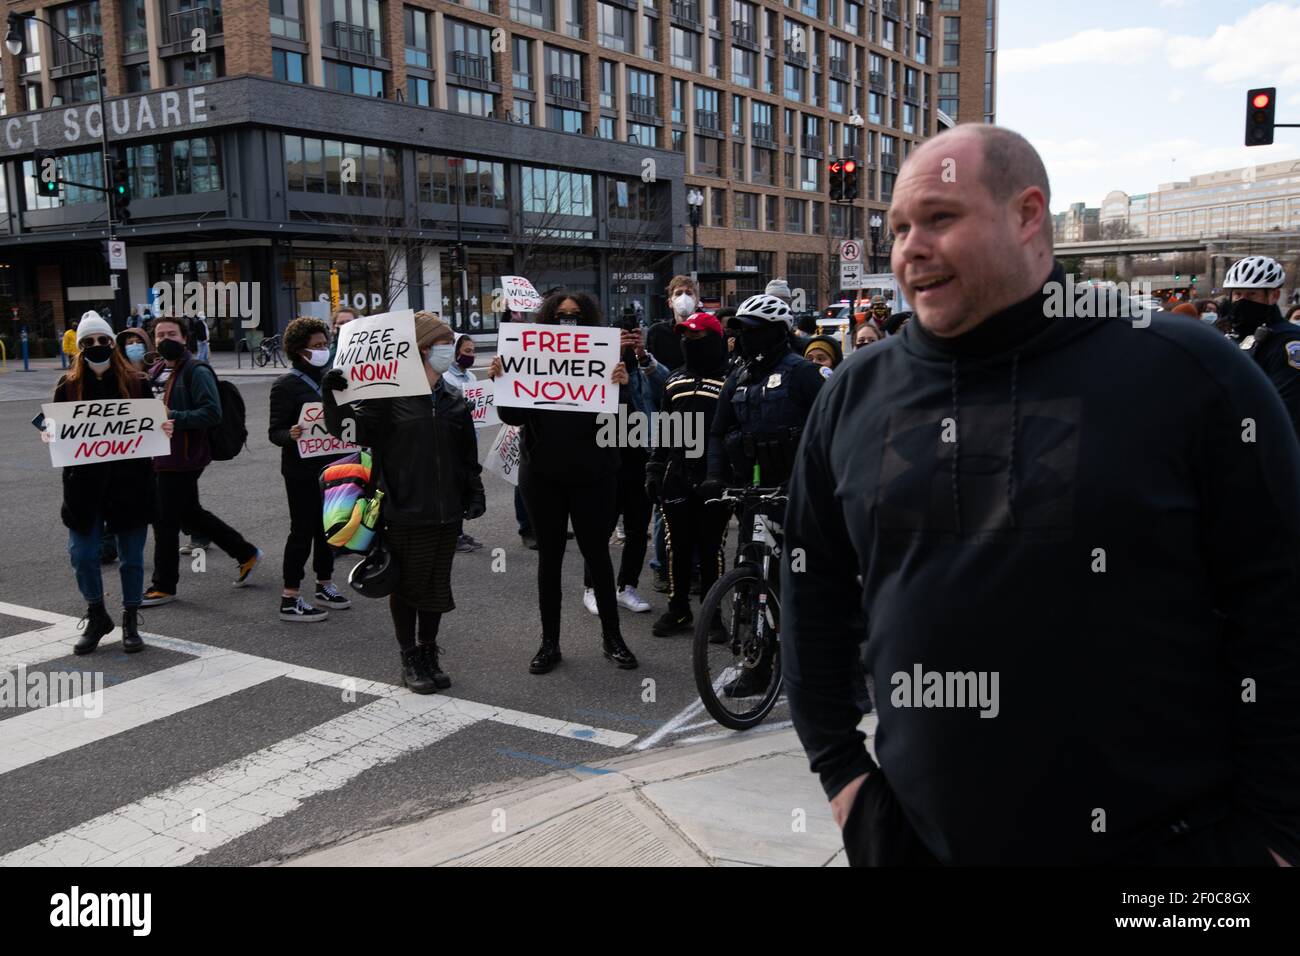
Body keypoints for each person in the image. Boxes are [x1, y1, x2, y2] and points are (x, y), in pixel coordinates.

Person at [782, 123, 1300, 867]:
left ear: (1028, 216)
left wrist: (1274, 841)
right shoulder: (856, 393)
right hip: (919, 844)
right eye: (897, 229)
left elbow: (1279, 610)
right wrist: (844, 777)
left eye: (939, 218)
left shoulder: (1191, 375)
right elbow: (811, 587)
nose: (909, 250)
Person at [323, 312, 485, 692]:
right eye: (440, 344)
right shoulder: (387, 399)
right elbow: (349, 431)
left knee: (436, 587)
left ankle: (429, 651)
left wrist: (474, 493)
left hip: (447, 512)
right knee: (408, 585)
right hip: (403, 509)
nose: (447, 350)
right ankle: (409, 656)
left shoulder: (454, 399)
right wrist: (332, 397)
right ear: (421, 349)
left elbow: (466, 455)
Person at [489, 291, 639, 674]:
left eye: (575, 315)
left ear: (588, 321)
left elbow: (626, 427)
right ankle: (549, 642)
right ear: (547, 319)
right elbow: (512, 415)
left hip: (595, 474)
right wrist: (503, 380)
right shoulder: (531, 361)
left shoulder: (609, 359)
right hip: (543, 476)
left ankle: (613, 637)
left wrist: (622, 387)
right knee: (550, 560)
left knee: (598, 556)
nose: (566, 321)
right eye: (559, 315)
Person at [701, 292, 826, 694]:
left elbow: (831, 430)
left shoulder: (803, 373)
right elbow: (718, 431)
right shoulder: (737, 378)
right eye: (738, 331)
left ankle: (837, 669)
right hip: (756, 492)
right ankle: (758, 669)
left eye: (751, 331)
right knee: (752, 578)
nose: (742, 339)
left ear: (775, 332)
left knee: (812, 581)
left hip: (803, 495)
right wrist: (715, 476)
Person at [51, 312, 154, 655]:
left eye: (103, 340)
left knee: (132, 558)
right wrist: (48, 432)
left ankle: (130, 615)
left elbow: (152, 426)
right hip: (84, 486)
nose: (97, 346)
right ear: (79, 348)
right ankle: (97, 614)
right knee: (81, 555)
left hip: (130, 484)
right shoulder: (67, 387)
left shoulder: (137, 383)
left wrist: (163, 428)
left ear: (113, 343)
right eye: (89, 342)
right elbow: (55, 428)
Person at [141, 314, 262, 606]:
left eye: (171, 334)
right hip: (158, 456)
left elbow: (212, 413)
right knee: (190, 513)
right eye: (160, 335)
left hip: (183, 456)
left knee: (165, 519)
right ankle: (245, 552)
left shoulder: (196, 370)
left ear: (184, 338)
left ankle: (164, 585)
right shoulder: (155, 369)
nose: (165, 339)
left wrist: (176, 418)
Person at [646, 312, 731, 637]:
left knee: (711, 550)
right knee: (677, 548)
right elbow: (665, 432)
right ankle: (678, 609)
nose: (690, 343)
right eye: (686, 338)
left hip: (715, 478)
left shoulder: (732, 379)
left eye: (697, 337)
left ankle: (713, 616)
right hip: (677, 476)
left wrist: (729, 476)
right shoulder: (674, 380)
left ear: (714, 340)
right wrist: (654, 468)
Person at [579, 307, 667, 617]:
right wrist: (615, 373)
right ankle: (592, 588)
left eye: (632, 334)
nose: (628, 339)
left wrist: (643, 357)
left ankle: (626, 586)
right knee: (600, 526)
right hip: (606, 455)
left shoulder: (645, 364)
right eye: (622, 335)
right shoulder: (596, 363)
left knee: (637, 527)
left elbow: (666, 388)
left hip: (640, 455)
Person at [268, 316, 352, 623]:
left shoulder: (334, 378)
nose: (323, 350)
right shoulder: (286, 385)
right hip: (301, 471)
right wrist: (289, 435)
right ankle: (290, 596)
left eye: (325, 344)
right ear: (299, 350)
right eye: (316, 346)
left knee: (328, 529)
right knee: (302, 531)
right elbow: (274, 431)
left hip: (334, 467)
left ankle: (324, 584)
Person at [1219, 255, 1300, 438]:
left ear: (1274, 296)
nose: (1242, 301)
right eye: (1238, 294)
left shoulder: (1288, 341)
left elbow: (1285, 409)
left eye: (1251, 294)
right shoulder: (1232, 335)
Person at [442, 333, 486, 553]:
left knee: (464, 487)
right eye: (467, 351)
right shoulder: (446, 378)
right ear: (455, 351)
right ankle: (453, 534)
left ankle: (459, 531)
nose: (471, 355)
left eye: (473, 351)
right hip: (452, 440)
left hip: (470, 438)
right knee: (453, 488)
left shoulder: (471, 377)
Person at [645, 274, 697, 372]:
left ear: (697, 301)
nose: (684, 297)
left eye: (689, 293)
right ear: (670, 302)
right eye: (678, 293)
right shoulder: (657, 332)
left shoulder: (708, 331)